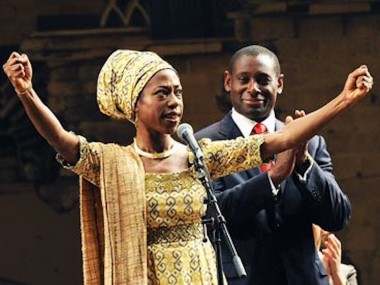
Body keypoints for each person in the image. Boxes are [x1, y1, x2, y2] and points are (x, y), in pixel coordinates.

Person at [2, 49, 372, 285]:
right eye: (161, 93)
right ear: (135, 105)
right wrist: (25, 92)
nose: (174, 101)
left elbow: (276, 141)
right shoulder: (114, 162)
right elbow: (63, 141)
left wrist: (344, 100)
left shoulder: (199, 154)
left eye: (178, 92)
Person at [195, 45, 366, 285]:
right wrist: (272, 178)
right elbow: (212, 214)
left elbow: (337, 216)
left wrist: (304, 163)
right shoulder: (205, 144)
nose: (253, 89)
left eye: (263, 80)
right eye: (244, 79)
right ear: (228, 82)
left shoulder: (312, 142)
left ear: (279, 83)